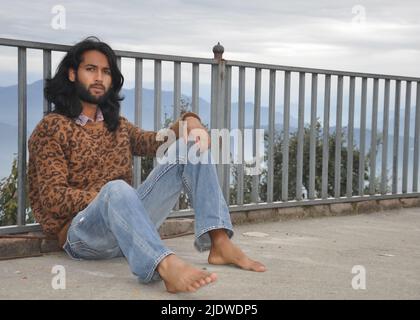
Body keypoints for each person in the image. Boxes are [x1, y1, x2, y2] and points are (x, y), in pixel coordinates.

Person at [28, 36, 265, 294]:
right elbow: (53, 197)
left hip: (128, 227)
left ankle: (218, 241)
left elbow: (156, 141)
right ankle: (165, 265)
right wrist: (105, 200)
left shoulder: (116, 125)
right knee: (116, 189)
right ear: (73, 74)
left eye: (106, 72)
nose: (99, 78)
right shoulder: (52, 127)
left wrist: (191, 122)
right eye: (90, 69)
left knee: (190, 148)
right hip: (84, 236)